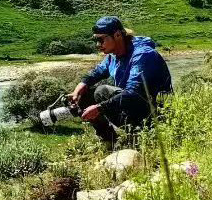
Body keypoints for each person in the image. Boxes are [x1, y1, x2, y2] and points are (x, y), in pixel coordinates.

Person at [69, 16, 172, 145]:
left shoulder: (142, 54)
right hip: (134, 106)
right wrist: (81, 85)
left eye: (101, 40)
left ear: (117, 35)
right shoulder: (114, 55)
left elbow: (134, 93)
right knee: (84, 95)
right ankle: (109, 141)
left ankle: (139, 137)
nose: (98, 45)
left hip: (156, 113)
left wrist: (100, 108)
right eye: (96, 40)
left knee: (102, 91)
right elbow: (98, 72)